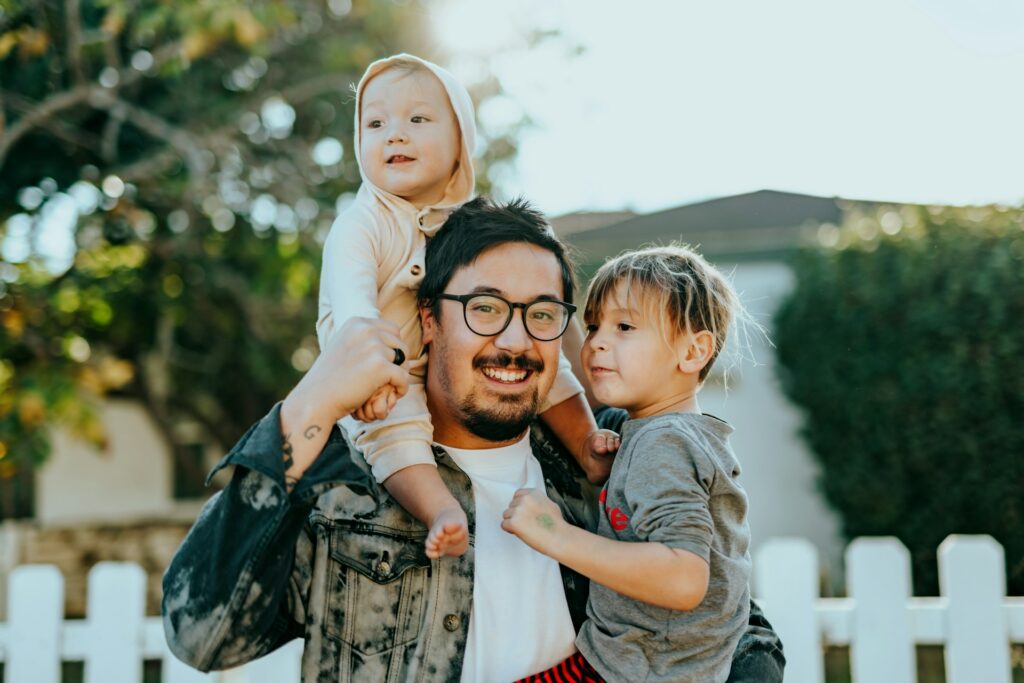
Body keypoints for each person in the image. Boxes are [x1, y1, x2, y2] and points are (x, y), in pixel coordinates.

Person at [162, 197, 785, 682]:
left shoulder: (605, 456)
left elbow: (731, 618)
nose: (515, 341)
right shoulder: (340, 481)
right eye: (485, 308)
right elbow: (203, 634)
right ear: (429, 320)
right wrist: (311, 401)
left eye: (541, 314)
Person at [316, 54, 616, 560]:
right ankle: (440, 510)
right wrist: (371, 377)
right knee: (396, 433)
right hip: (379, 372)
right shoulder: (362, 223)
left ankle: (587, 445)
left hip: (431, 362)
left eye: (417, 119)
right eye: (375, 123)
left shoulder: (468, 226)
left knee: (548, 362)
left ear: (461, 142)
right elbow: (354, 312)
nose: (394, 135)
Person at [504, 245, 755, 682]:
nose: (597, 340)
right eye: (593, 325)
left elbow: (684, 578)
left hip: (633, 669)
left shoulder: (663, 442)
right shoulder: (674, 434)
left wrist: (554, 534)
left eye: (624, 326)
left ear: (693, 352)